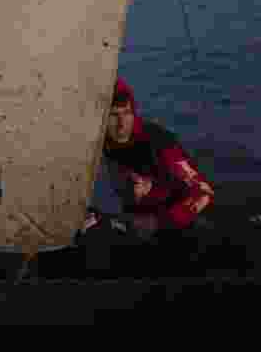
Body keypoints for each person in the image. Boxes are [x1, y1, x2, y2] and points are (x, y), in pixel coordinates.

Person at [80, 77, 216, 270]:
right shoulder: (102, 141)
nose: (121, 124)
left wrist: (157, 222)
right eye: (113, 115)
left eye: (127, 113)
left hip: (177, 229)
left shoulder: (158, 142)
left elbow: (203, 193)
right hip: (134, 223)